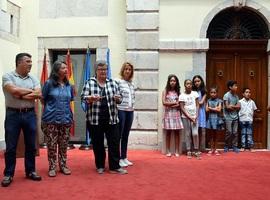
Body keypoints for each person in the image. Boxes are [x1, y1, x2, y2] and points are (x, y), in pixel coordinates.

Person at [1, 53, 42, 187]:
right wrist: (28, 92)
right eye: (28, 61)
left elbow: (38, 94)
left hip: (30, 114)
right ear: (19, 62)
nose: (30, 64)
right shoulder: (8, 76)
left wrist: (20, 94)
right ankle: (8, 174)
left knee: (31, 145)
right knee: (11, 146)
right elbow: (12, 90)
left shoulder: (33, 78)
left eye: (31, 61)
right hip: (13, 115)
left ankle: (30, 171)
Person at [81, 60, 127, 175]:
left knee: (114, 143)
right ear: (96, 71)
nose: (103, 71)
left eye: (105, 69)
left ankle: (114, 167)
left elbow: (120, 98)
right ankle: (100, 165)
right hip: (95, 119)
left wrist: (118, 99)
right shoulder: (89, 83)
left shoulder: (112, 83)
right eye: (101, 69)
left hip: (112, 118)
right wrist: (90, 98)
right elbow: (83, 97)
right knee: (98, 144)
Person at [41, 61, 74, 177]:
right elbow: (42, 99)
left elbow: (70, 100)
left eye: (66, 67)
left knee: (64, 144)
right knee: (51, 144)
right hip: (51, 119)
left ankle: (63, 165)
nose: (66, 69)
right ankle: (52, 167)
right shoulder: (49, 83)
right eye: (63, 68)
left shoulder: (69, 85)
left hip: (66, 119)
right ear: (57, 70)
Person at [117, 62, 135, 167]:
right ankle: (118, 158)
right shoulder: (118, 82)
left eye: (129, 69)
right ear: (123, 70)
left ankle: (124, 157)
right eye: (126, 69)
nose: (128, 71)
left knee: (126, 135)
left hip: (130, 110)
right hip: (121, 110)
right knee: (119, 134)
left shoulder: (131, 84)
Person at [162, 74, 183, 157]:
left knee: (177, 133)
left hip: (177, 114)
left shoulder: (178, 92)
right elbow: (164, 103)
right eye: (171, 81)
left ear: (176, 82)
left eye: (174, 81)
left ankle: (177, 150)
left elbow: (179, 104)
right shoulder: (165, 91)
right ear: (169, 82)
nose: (172, 82)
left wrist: (170, 104)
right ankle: (168, 150)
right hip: (168, 114)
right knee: (168, 132)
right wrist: (174, 103)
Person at [179, 79, 200, 159]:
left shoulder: (195, 93)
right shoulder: (182, 95)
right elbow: (182, 108)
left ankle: (196, 149)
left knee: (195, 133)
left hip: (194, 117)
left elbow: (198, 105)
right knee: (187, 134)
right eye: (187, 84)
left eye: (190, 84)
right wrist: (189, 117)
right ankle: (188, 150)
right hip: (186, 117)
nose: (189, 85)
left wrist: (196, 116)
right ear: (184, 85)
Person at [223, 80, 241, 153]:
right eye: (235, 86)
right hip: (228, 117)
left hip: (235, 116)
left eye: (236, 86)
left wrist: (232, 106)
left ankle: (235, 146)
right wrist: (234, 106)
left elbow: (239, 106)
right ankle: (226, 146)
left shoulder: (236, 96)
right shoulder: (226, 95)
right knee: (229, 132)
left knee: (235, 132)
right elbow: (227, 107)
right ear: (230, 87)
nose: (236, 87)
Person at [238, 88, 257, 152]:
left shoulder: (252, 102)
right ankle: (243, 146)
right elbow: (238, 109)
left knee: (249, 134)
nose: (248, 94)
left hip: (249, 120)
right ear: (243, 94)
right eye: (246, 92)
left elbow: (254, 110)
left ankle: (250, 147)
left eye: (249, 92)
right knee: (243, 133)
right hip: (242, 120)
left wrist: (252, 117)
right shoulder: (240, 101)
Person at [206, 86, 222, 156]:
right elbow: (206, 110)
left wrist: (211, 108)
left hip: (217, 119)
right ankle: (211, 149)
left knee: (216, 135)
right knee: (211, 135)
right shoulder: (208, 101)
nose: (213, 94)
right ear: (209, 93)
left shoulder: (219, 101)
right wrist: (214, 108)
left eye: (214, 92)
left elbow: (219, 110)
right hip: (210, 119)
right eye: (211, 92)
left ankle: (216, 149)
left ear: (217, 93)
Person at [192, 75, 207, 153]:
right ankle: (193, 147)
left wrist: (195, 102)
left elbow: (201, 102)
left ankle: (199, 148)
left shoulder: (203, 92)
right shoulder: (192, 92)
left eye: (198, 81)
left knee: (200, 130)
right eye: (195, 82)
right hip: (194, 111)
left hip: (201, 112)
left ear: (201, 82)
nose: (197, 83)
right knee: (194, 130)